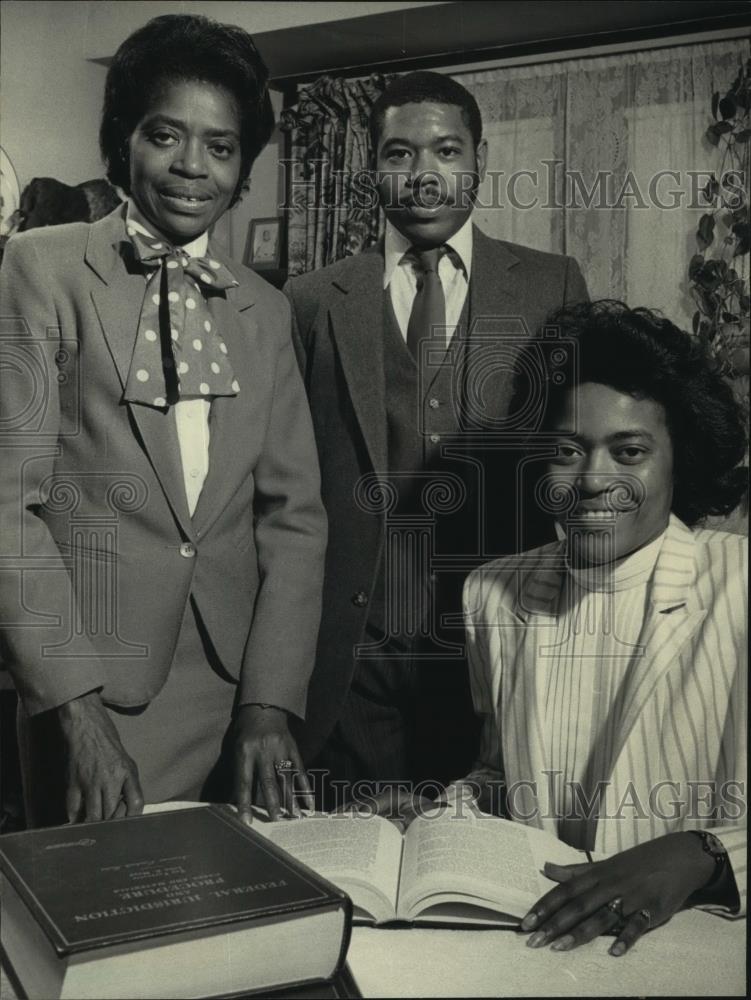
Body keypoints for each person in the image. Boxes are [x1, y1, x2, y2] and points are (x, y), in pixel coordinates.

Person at [0, 14, 327, 827]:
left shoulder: (264, 308)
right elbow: (8, 509)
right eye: (165, 135)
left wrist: (271, 704)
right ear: (123, 142)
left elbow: (294, 520)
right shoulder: (43, 267)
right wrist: (73, 710)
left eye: (220, 147)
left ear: (243, 167)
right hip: (93, 695)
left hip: (236, 698)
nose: (192, 168)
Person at [284, 71, 588, 809]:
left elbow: (579, 452)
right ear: (371, 167)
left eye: (445, 151)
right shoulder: (312, 300)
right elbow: (283, 481)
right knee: (354, 863)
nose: (422, 175)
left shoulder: (549, 284)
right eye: (398, 154)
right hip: (353, 653)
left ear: (479, 158)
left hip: (495, 640)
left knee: (480, 872)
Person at [461, 300, 747, 954]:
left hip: (699, 951)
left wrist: (703, 853)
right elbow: (498, 777)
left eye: (629, 451)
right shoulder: (490, 594)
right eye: (567, 451)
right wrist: (438, 811)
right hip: (537, 941)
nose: (593, 479)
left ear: (680, 460)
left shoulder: (739, 585)